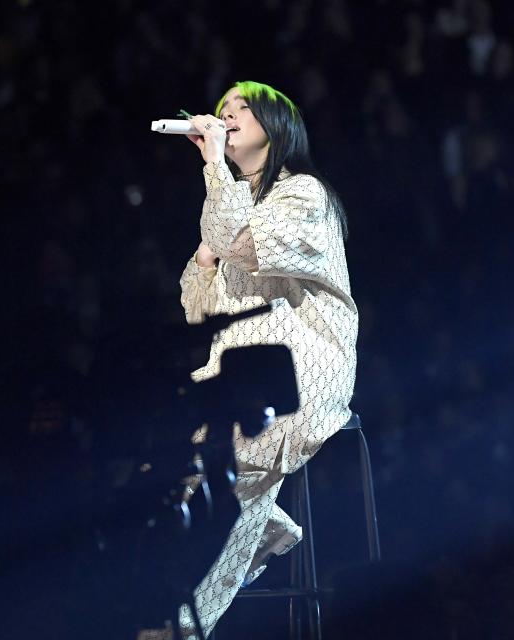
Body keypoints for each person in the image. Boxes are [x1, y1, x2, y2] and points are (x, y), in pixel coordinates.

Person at [142, 80, 358, 639]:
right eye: (221, 111)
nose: (226, 116)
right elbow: (196, 306)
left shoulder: (304, 194)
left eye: (240, 109)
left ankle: (178, 627)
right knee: (169, 464)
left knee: (229, 462)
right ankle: (262, 530)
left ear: (276, 126)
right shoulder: (232, 201)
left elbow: (242, 241)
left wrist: (215, 173)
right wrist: (205, 261)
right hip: (238, 373)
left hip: (299, 369)